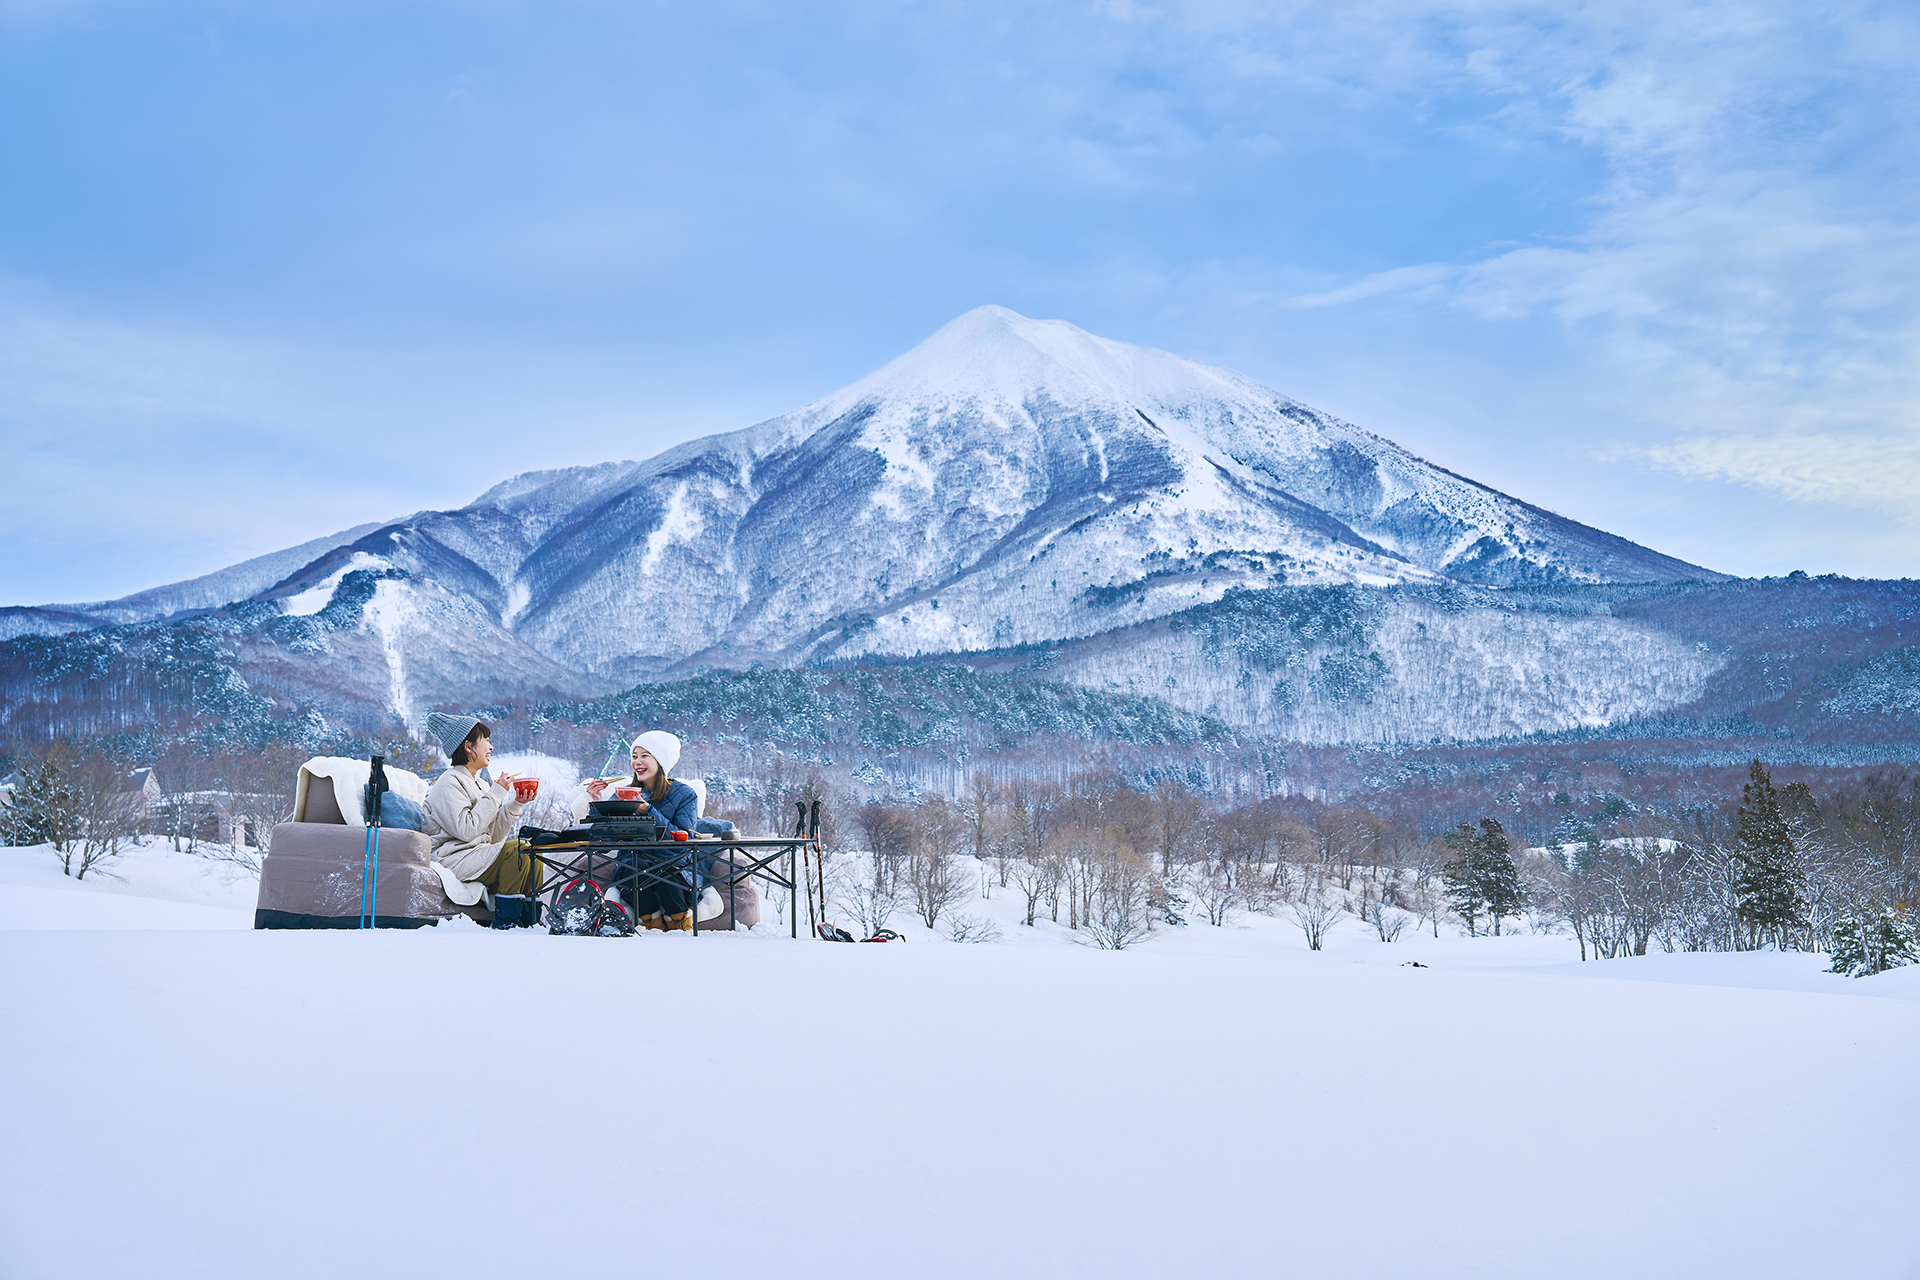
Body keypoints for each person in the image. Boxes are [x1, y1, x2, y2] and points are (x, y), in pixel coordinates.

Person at [567, 731, 706, 928]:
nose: (637, 762)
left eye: (644, 755)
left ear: (660, 761)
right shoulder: (623, 793)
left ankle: (680, 922)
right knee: (635, 867)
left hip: (674, 866)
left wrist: (647, 810)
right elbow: (603, 843)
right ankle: (651, 924)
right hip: (632, 866)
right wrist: (598, 804)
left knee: (663, 869)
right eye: (634, 756)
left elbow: (682, 842)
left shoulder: (685, 795)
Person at [421, 713, 538, 898]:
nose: (491, 747)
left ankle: (530, 912)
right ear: (468, 746)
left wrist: (516, 804)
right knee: (518, 851)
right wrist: (497, 792)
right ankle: (508, 913)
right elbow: (467, 830)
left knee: (534, 852)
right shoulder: (448, 782)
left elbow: (492, 836)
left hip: (477, 854)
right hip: (452, 858)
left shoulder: (481, 785)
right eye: (486, 740)